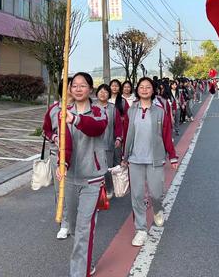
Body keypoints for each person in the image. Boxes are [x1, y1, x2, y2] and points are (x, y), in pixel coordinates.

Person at [53, 72, 108, 277]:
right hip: (71, 179)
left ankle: (78, 273)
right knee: (76, 228)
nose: (77, 88)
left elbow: (96, 128)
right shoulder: (63, 113)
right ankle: (86, 260)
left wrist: (75, 119)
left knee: (84, 228)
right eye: (74, 85)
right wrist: (63, 163)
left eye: (82, 85)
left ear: (90, 89)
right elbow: (65, 144)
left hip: (92, 179)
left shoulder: (99, 112)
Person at [122, 77, 179, 247]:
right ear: (137, 90)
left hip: (155, 158)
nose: (144, 89)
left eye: (148, 87)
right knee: (137, 195)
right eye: (141, 87)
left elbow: (166, 135)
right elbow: (127, 134)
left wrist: (172, 155)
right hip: (135, 159)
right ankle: (140, 229)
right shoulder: (131, 111)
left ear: (153, 90)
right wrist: (125, 157)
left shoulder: (160, 111)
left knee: (156, 193)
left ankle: (158, 209)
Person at [42, 79, 71, 240]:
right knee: (61, 190)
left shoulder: (83, 109)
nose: (72, 90)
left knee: (76, 190)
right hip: (57, 156)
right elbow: (45, 130)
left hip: (78, 157)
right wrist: (54, 136)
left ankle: (76, 218)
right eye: (68, 87)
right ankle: (64, 223)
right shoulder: (54, 109)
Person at [94, 83, 123, 199]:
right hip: (93, 144)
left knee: (107, 169)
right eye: (100, 91)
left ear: (109, 95)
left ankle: (109, 189)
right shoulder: (92, 108)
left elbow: (118, 126)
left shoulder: (112, 109)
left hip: (108, 143)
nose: (103, 93)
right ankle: (96, 192)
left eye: (105, 91)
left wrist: (118, 138)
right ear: (96, 94)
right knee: (95, 170)